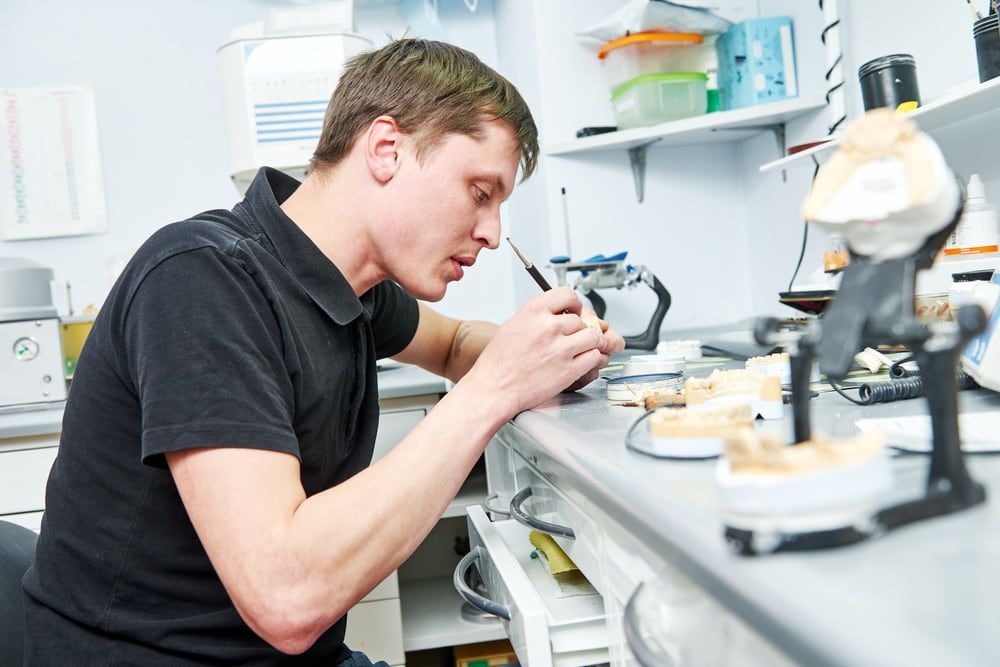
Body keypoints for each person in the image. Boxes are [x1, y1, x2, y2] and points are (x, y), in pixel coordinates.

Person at [22, 38, 624, 665]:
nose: (493, 234)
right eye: (480, 192)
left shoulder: (352, 286)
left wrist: (547, 355)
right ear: (386, 149)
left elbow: (452, 345)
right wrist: (496, 388)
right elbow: (287, 597)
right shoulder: (201, 279)